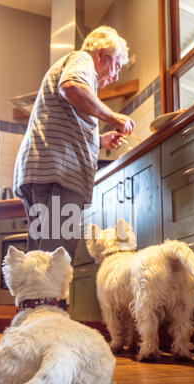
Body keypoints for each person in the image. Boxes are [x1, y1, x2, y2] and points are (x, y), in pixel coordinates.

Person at [13, 25, 135, 261]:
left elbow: (67, 125)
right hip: (58, 176)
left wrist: (99, 141)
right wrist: (114, 117)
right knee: (55, 260)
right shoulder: (83, 60)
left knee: (39, 259)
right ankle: (49, 300)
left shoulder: (79, 68)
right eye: (117, 65)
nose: (118, 75)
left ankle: (38, 300)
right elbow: (71, 87)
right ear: (100, 54)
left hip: (42, 171)